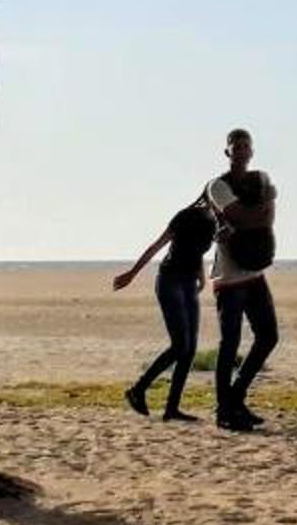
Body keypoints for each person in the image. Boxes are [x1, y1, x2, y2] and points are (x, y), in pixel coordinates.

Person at [111, 191, 215, 420]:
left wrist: (201, 277)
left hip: (189, 283)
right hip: (170, 280)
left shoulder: (214, 223)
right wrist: (132, 273)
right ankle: (138, 390)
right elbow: (156, 246)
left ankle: (172, 409)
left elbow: (198, 250)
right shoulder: (185, 216)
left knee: (189, 350)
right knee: (180, 346)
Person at [204, 127, 278, 432]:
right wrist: (262, 207)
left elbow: (266, 219)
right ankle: (225, 411)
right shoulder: (217, 186)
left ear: (252, 151)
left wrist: (253, 216)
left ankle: (234, 398)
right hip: (229, 277)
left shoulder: (260, 179)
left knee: (268, 336)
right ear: (227, 152)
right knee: (230, 343)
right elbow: (245, 217)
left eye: (246, 146)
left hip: (255, 272)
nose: (242, 151)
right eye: (236, 147)